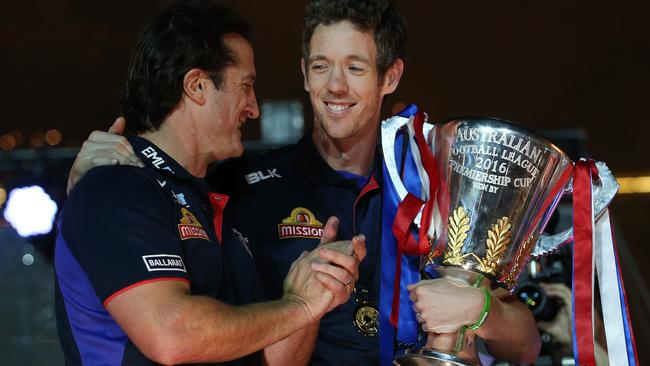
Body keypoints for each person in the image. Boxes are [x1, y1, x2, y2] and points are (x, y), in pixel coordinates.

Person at [66, 0, 541, 364]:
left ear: (389, 76)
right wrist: (92, 175)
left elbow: (526, 344)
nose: (335, 86)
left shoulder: (439, 190)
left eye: (355, 68)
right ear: (304, 72)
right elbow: (191, 320)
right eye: (320, 66)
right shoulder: (239, 187)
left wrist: (480, 312)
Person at [55, 1, 365, 365]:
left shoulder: (221, 202)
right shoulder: (116, 187)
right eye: (245, 86)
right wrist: (296, 305)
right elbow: (172, 336)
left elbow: (272, 360)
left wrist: (314, 294)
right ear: (197, 86)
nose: (254, 109)